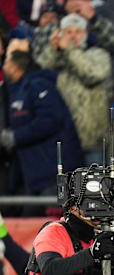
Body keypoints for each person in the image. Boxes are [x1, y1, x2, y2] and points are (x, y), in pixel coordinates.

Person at [1, 50, 84, 213]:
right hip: (33, 175)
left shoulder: (38, 85)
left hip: (52, 173)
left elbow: (51, 119)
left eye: (6, 63)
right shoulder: (15, 90)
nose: (3, 67)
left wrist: (15, 137)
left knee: (50, 225)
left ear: (14, 67)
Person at [36, 13, 112, 164]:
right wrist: (52, 49)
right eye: (68, 32)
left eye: (78, 32)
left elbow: (91, 74)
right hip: (61, 141)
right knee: (64, 187)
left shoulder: (98, 55)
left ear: (85, 34)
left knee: (94, 186)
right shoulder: (57, 60)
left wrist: (69, 50)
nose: (73, 37)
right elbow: (41, 75)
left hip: (92, 141)